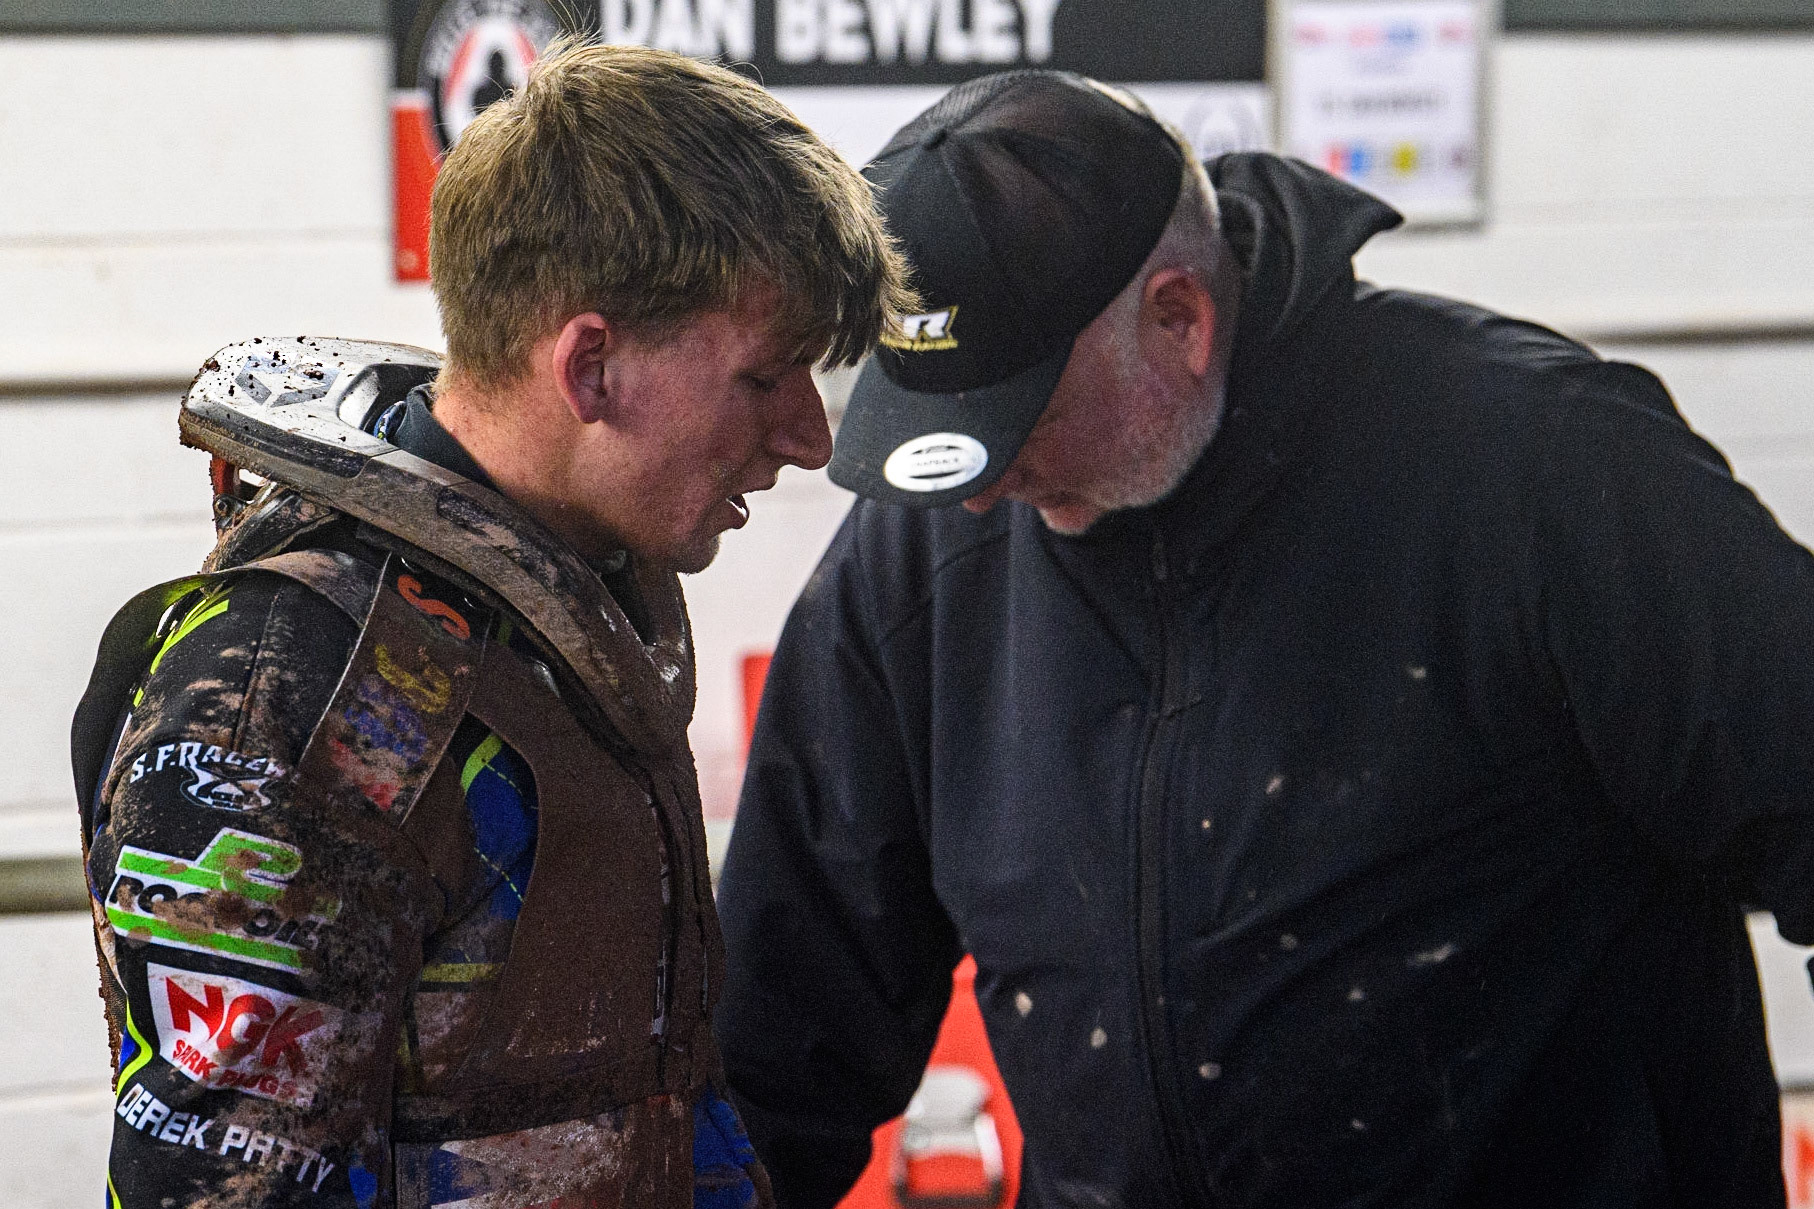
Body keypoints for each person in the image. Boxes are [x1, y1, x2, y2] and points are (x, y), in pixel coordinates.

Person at [714, 69, 1814, 1208]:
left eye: (1016, 422)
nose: (980, 492)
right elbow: (782, 1034)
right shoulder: (921, 561)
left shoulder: (1536, 470)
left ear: (1179, 320)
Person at [72, 41, 909, 1209]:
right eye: (765, 377)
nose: (809, 439)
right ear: (592, 366)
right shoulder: (302, 693)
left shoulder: (554, 619)